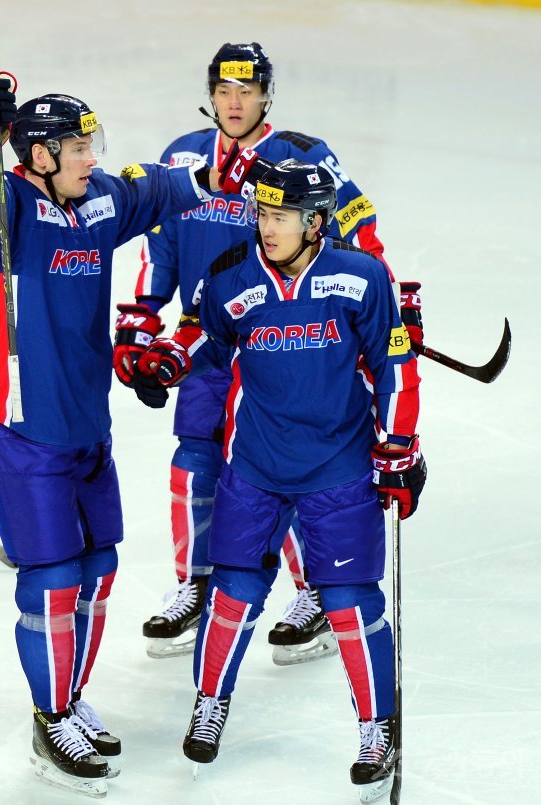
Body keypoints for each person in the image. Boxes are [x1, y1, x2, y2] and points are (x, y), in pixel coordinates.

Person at [0, 72, 235, 797]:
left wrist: (240, 178)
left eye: (93, 144)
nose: (92, 157)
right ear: (39, 155)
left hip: (85, 423)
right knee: (51, 578)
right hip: (20, 427)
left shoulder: (102, 198)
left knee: (98, 565)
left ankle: (68, 697)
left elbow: (176, 188)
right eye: (78, 147)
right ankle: (50, 723)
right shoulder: (11, 207)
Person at [134, 158, 426, 800]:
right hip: (254, 469)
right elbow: (204, 342)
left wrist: (399, 445)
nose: (267, 226)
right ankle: (210, 702)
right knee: (233, 591)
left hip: (339, 470)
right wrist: (163, 364)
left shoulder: (361, 279)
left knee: (350, 599)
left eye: (281, 216)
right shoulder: (233, 281)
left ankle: (377, 727)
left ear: (316, 223)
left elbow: (395, 368)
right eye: (261, 213)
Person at [113, 42, 414, 666]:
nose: (234, 102)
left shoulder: (301, 156)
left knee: (293, 463)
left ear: (265, 96)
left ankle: (314, 593)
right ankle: (197, 583)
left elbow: (356, 223)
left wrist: (382, 295)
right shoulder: (184, 157)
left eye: (246, 91)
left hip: (286, 338)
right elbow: (160, 247)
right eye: (224, 90)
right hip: (206, 337)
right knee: (194, 457)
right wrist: (142, 321)